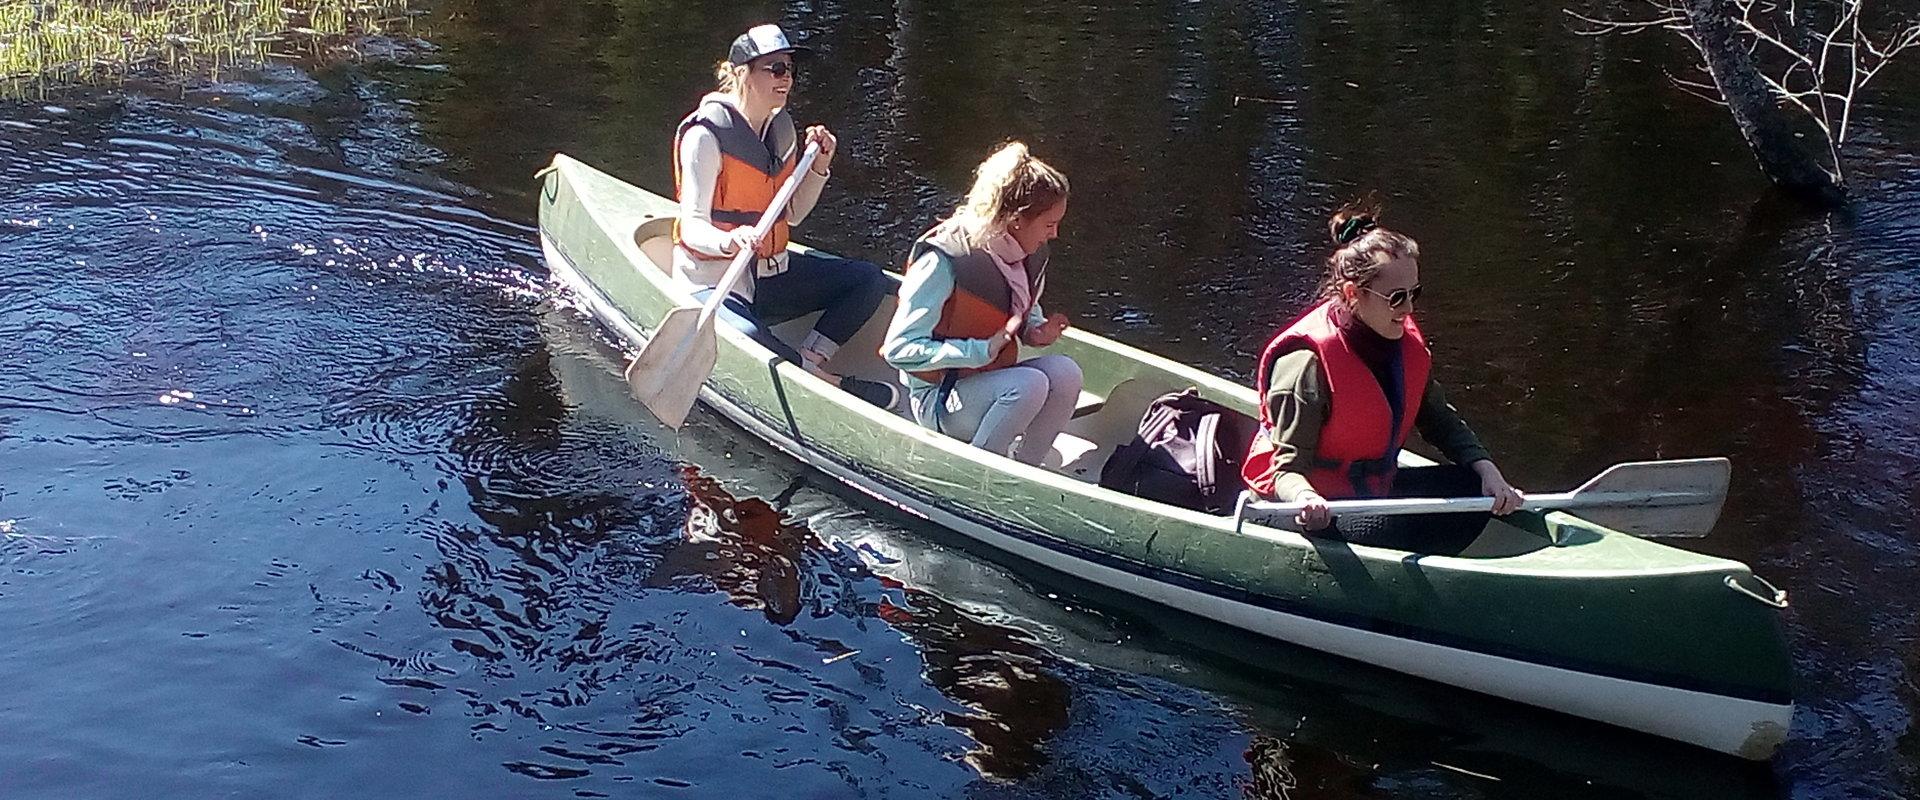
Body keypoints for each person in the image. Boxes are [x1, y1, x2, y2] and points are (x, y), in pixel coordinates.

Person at [1242, 204, 1525, 549]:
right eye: (1396, 298)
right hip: (1305, 507)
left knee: (1470, 488)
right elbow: (1285, 470)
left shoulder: (1402, 344)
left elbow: (1440, 422)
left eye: (1414, 294)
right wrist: (1305, 497)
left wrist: (1488, 471)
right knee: (1392, 527)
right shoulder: (1307, 363)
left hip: (1372, 495)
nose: (1408, 310)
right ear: (1352, 294)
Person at [672, 24, 898, 409]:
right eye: (775, 69)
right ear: (742, 72)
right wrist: (730, 240)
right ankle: (829, 383)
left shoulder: (781, 131)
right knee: (758, 344)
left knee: (868, 280)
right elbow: (692, 225)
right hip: (716, 282)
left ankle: (812, 358)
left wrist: (819, 168)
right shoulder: (705, 136)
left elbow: (791, 216)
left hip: (770, 275)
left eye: (790, 69)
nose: (787, 78)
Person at [881, 142, 1081, 466]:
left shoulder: (1027, 255)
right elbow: (898, 350)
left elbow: (1021, 307)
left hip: (989, 382)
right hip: (940, 398)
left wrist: (1034, 330)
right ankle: (982, 475)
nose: (1055, 234)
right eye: (1048, 224)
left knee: (1065, 372)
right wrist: (980, 350)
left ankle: (1026, 469)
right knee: (1030, 384)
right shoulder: (943, 261)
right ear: (1016, 220)